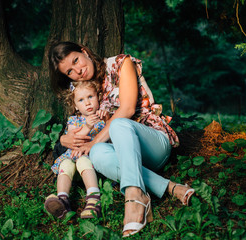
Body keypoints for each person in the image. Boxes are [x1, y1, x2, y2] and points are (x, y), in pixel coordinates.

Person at [48, 41, 195, 237]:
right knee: (98, 154)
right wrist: (64, 139)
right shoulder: (81, 89)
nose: (78, 71)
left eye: (76, 60)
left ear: (84, 51)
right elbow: (79, 126)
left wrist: (93, 142)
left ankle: (134, 197)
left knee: (117, 125)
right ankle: (169, 187)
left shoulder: (120, 63)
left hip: (151, 142)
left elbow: (127, 109)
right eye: (70, 71)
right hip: (122, 155)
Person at [44, 80, 109, 219]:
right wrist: (87, 127)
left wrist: (107, 118)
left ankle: (93, 199)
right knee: (65, 164)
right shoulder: (74, 120)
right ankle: (63, 199)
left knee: (83, 161)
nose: (87, 103)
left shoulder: (102, 118)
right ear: (76, 106)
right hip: (74, 164)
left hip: (92, 165)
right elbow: (75, 138)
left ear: (98, 97)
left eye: (90, 97)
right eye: (81, 100)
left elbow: (110, 136)